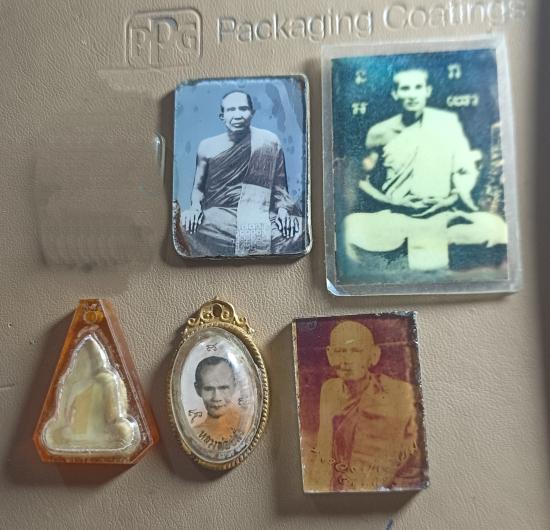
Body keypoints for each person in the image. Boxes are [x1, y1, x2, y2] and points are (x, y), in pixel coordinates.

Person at [343, 66, 507, 271]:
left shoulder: (447, 124)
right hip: (397, 216)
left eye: (418, 87)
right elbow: (361, 180)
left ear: (427, 91)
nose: (412, 95)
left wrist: (447, 200)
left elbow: (463, 172)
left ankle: (419, 258)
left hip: (442, 215)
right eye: (405, 88)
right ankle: (413, 261)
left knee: (497, 228)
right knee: (349, 227)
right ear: (395, 94)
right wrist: (393, 201)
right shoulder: (379, 132)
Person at [178, 90, 303, 257]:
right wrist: (195, 209)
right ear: (222, 116)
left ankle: (232, 252)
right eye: (231, 110)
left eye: (243, 109)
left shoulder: (269, 142)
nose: (237, 115)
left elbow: (280, 190)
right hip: (220, 218)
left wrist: (283, 212)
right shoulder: (206, 147)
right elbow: (198, 189)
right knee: (182, 224)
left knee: (301, 229)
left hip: (262, 214)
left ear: (252, 113)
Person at [307, 321, 424, 492]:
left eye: (356, 351)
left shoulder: (398, 394)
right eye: (340, 351)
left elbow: (412, 461)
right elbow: (323, 452)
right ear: (330, 355)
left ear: (373, 355)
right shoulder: (330, 390)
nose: (347, 360)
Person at [193, 356, 245, 451]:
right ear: (198, 390)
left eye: (223, 388)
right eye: (208, 389)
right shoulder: (193, 434)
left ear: (235, 386)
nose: (216, 398)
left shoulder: (246, 427)